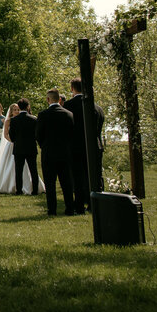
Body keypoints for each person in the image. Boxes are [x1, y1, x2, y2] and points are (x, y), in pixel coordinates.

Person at [63, 78, 106, 215]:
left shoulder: (68, 106)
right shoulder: (97, 107)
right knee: (95, 176)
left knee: (77, 177)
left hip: (75, 146)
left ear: (72, 88)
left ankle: (79, 206)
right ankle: (96, 204)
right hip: (95, 146)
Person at [36, 89, 76, 216]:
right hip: (65, 153)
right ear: (59, 99)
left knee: (50, 184)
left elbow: (38, 135)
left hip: (49, 153)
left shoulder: (43, 115)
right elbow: (72, 134)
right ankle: (70, 208)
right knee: (67, 183)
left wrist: (44, 146)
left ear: (48, 99)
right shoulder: (69, 114)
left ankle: (52, 210)